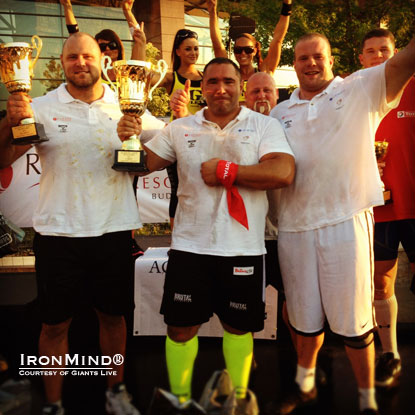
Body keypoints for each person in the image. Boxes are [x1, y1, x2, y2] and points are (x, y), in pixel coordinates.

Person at [117, 57, 295, 414]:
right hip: (189, 248)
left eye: (228, 81)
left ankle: (240, 399)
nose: (221, 89)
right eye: (212, 82)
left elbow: (283, 170)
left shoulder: (263, 125)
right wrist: (128, 136)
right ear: (203, 88)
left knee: (239, 329)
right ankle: (180, 401)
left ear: (240, 85)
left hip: (243, 248)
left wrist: (228, 170)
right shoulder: (180, 128)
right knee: (180, 330)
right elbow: (140, 164)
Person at [0, 32, 165, 415]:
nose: (80, 63)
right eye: (72, 57)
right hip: (58, 234)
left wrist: (138, 144)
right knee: (54, 326)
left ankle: (116, 392)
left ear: (102, 62)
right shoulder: (38, 105)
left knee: (113, 318)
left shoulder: (126, 104)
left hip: (113, 230)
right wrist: (9, 124)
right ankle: (54, 404)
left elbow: (163, 150)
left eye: (87, 56)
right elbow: (4, 159)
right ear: (61, 63)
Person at [267, 32, 415, 415]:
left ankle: (367, 400)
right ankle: (304, 383)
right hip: (294, 228)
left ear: (332, 58)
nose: (310, 64)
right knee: (303, 321)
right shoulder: (279, 113)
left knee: (354, 325)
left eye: (317, 56)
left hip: (345, 224)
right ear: (294, 64)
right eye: (302, 58)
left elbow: (404, 61)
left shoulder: (360, 88)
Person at [359, 28, 415, 389]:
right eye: (372, 51)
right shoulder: (352, 93)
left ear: (396, 54)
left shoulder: (412, 83)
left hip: (413, 203)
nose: (379, 56)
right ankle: (390, 354)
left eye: (385, 50)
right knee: (381, 282)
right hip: (375, 206)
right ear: (360, 58)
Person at [207, 0, 292, 104]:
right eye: (238, 50)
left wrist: (287, 6)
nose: (243, 54)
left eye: (248, 50)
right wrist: (212, 12)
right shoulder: (230, 74)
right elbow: (217, 45)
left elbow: (277, 40)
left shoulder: (263, 72)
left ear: (255, 50)